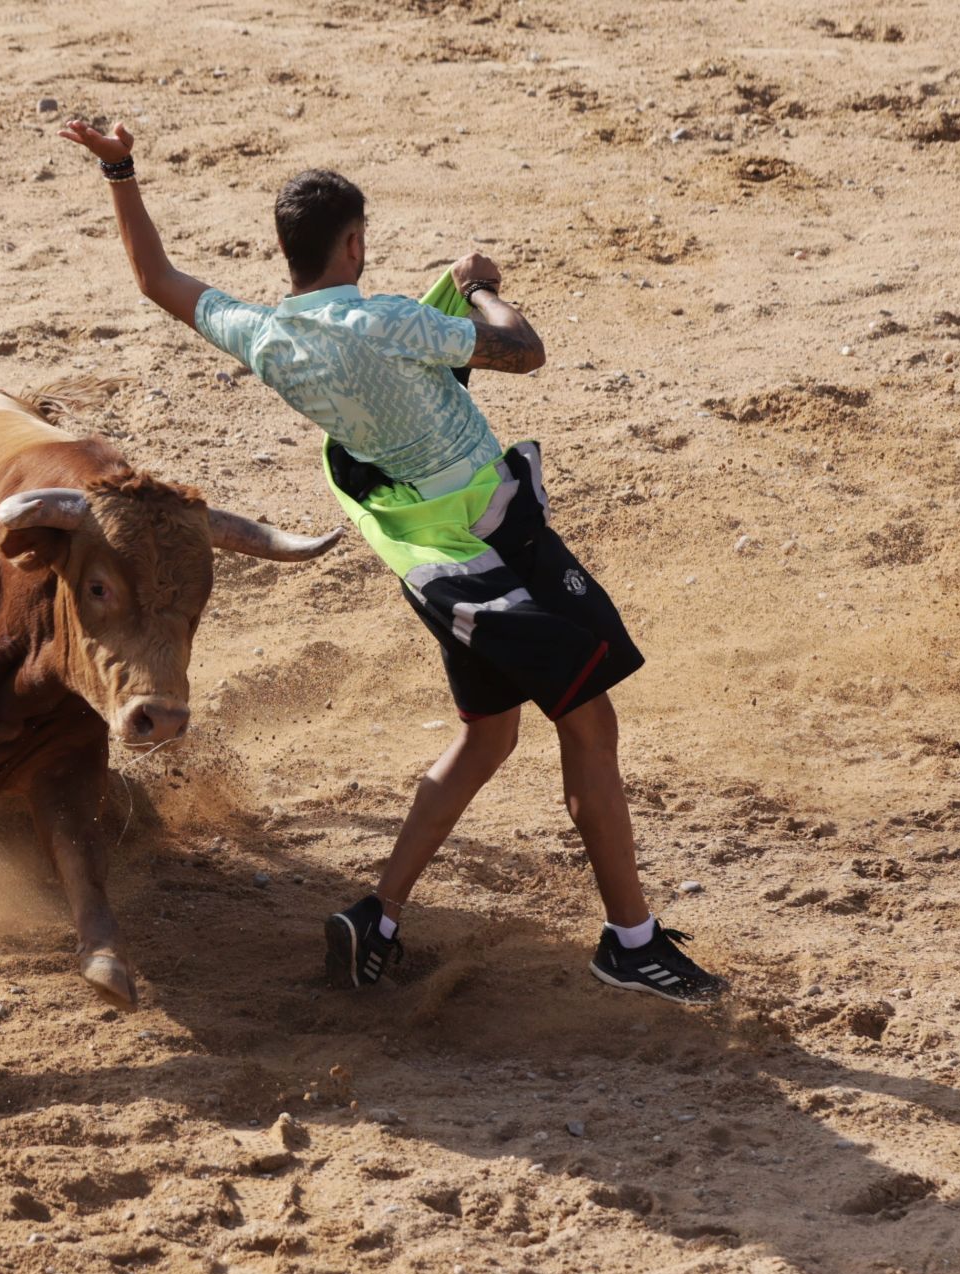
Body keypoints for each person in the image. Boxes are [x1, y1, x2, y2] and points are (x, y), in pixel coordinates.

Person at [59, 119, 725, 1004]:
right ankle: (630, 942)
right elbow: (524, 352)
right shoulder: (394, 321)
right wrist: (482, 290)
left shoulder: (264, 334)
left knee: (488, 737)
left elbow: (155, 278)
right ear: (354, 243)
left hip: (428, 562)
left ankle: (378, 914)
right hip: (498, 552)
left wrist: (122, 171)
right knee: (590, 727)